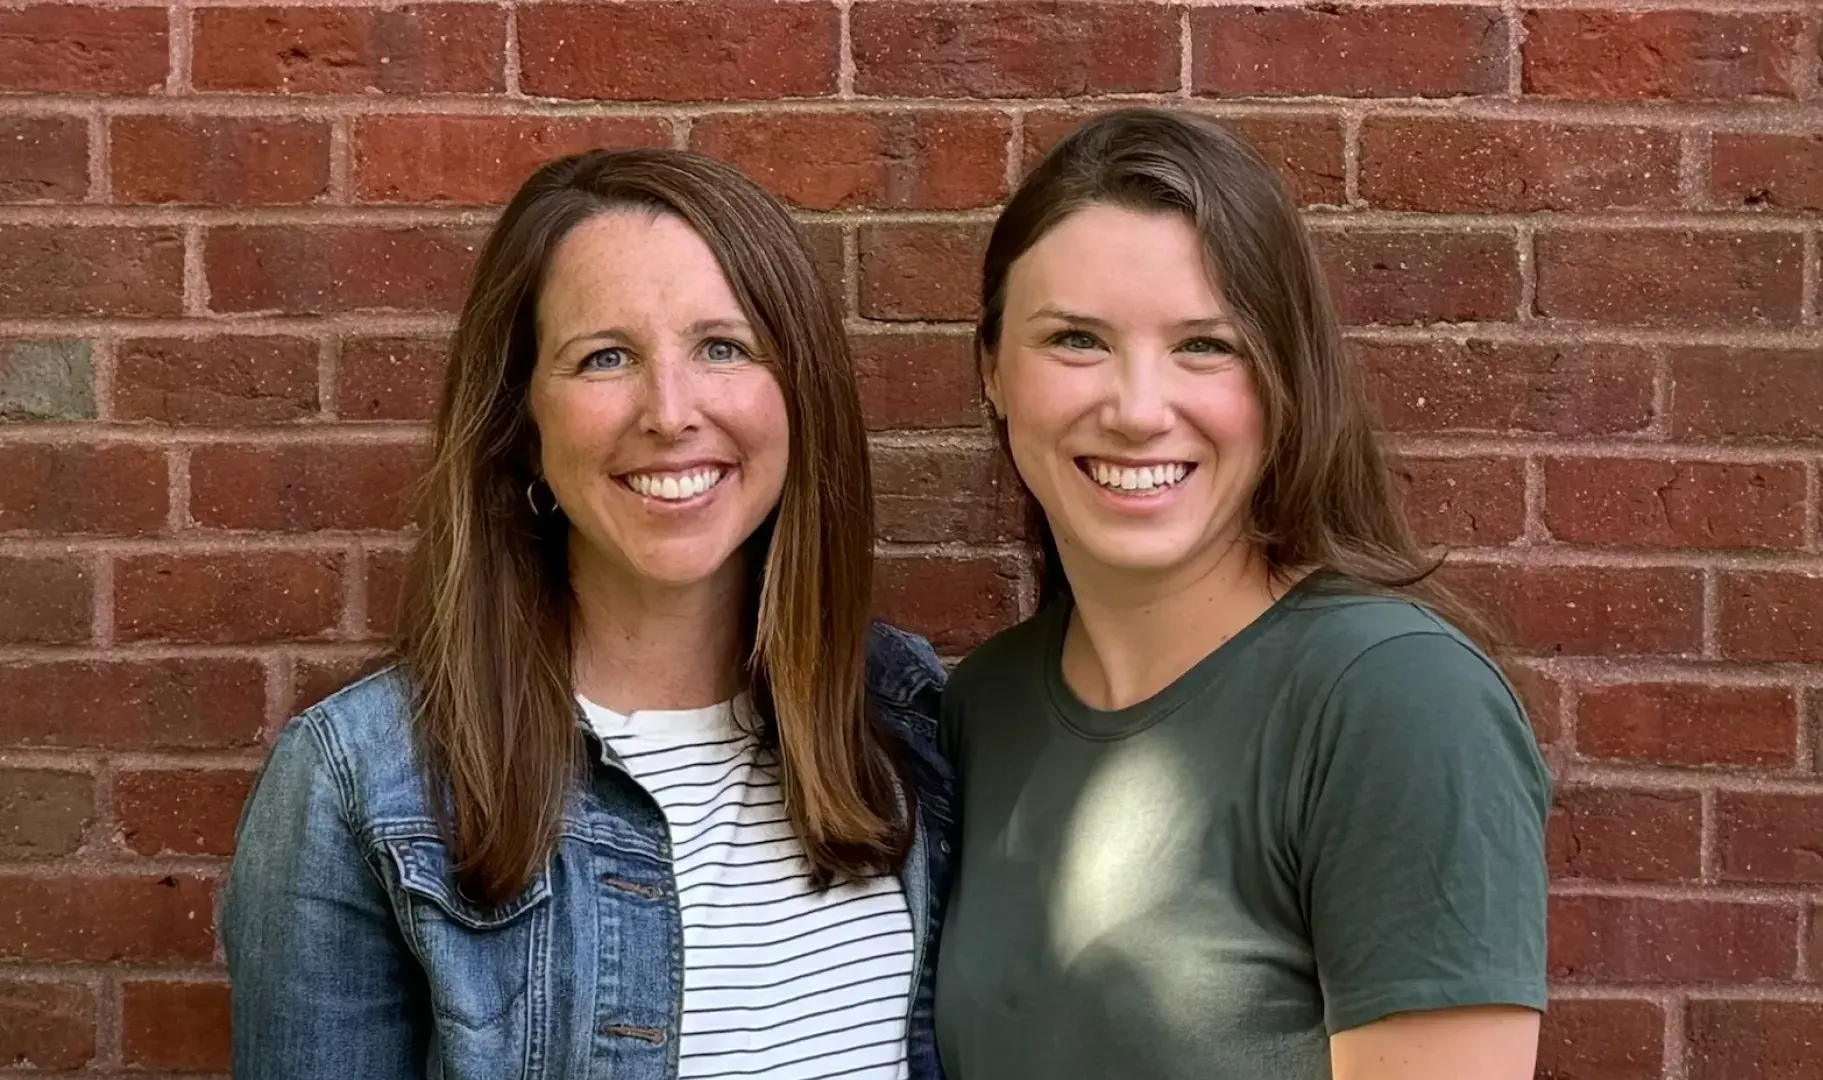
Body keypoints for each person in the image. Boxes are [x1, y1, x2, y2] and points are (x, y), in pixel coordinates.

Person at [222, 149, 953, 1080]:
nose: (670, 412)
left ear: (799, 393)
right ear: (522, 423)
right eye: (605, 357)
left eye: (722, 347)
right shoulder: (360, 783)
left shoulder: (906, 715)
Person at [933, 108, 1551, 1080]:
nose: (1138, 409)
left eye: (1204, 346)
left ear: (1282, 379)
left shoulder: (1396, 706)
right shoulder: (982, 705)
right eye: (1077, 339)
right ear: (994, 372)